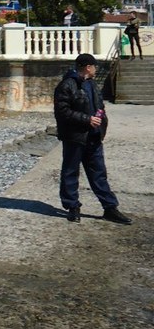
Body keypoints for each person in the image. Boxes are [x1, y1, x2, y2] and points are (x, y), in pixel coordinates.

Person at [53, 53, 132, 225]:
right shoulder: (67, 85)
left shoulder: (92, 83)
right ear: (88, 67)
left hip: (94, 137)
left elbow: (99, 105)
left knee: (99, 174)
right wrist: (86, 119)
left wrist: (101, 117)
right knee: (70, 172)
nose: (96, 69)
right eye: (94, 66)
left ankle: (110, 208)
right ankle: (73, 207)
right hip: (75, 137)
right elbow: (62, 112)